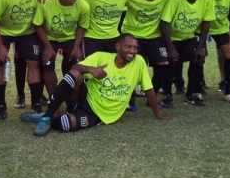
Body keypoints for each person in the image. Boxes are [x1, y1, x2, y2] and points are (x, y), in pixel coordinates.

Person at [21, 33, 171, 136]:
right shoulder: (101, 57)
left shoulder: (138, 62)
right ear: (118, 47)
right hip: (83, 98)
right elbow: (75, 68)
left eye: (135, 48)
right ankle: (47, 116)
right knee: (75, 74)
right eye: (128, 47)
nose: (132, 51)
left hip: (98, 114)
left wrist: (158, 114)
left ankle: (44, 118)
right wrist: (90, 69)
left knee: (65, 124)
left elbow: (149, 89)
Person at [1, 0, 55, 110]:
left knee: (35, 60)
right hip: (12, 22)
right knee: (18, 61)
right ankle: (19, 95)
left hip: (35, 22)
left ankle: (37, 98)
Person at [160, 0, 215, 106]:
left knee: (198, 58)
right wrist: (171, 49)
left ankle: (191, 95)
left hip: (189, 37)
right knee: (170, 62)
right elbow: (164, 24)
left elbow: (206, 23)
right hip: (171, 38)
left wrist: (201, 47)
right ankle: (167, 95)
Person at [121, 0, 171, 106]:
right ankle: (129, 99)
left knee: (163, 64)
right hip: (132, 36)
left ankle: (152, 97)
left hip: (154, 36)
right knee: (132, 66)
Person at [34, 0, 89, 96]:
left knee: (74, 66)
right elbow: (38, 25)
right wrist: (48, 47)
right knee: (47, 64)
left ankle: (70, 98)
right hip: (49, 38)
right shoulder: (46, 1)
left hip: (70, 39)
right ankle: (53, 98)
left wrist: (76, 47)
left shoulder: (83, 5)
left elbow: (82, 26)